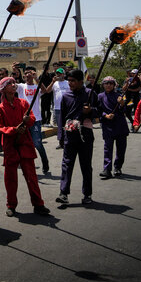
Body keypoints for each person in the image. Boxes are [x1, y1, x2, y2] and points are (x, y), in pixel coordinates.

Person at [0, 77, 51, 217]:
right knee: (11, 178)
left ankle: (38, 204)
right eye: (10, 84)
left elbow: (31, 118)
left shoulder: (24, 103)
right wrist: (13, 130)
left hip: (25, 143)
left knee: (31, 176)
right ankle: (11, 205)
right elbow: (0, 126)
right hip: (10, 146)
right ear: (3, 89)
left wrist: (28, 120)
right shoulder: (1, 108)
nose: (13, 85)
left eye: (14, 83)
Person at [56, 69, 99, 205]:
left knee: (86, 165)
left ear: (81, 81)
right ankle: (63, 193)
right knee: (67, 164)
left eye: (73, 81)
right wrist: (61, 137)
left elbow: (100, 112)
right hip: (70, 135)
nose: (70, 83)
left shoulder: (90, 94)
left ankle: (87, 194)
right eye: (69, 80)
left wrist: (90, 111)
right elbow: (62, 117)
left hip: (85, 135)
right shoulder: (66, 96)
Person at [16, 66, 50, 174]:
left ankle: (45, 162)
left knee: (37, 143)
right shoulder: (21, 87)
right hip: (23, 120)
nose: (27, 75)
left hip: (35, 119)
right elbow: (12, 84)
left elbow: (45, 91)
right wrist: (15, 71)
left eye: (29, 73)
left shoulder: (36, 87)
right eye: (25, 73)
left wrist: (37, 78)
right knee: (23, 144)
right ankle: (27, 166)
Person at [97, 76, 129, 178]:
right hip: (107, 126)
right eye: (106, 83)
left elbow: (125, 111)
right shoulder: (100, 96)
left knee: (121, 149)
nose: (108, 85)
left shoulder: (120, 96)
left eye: (111, 83)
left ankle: (118, 167)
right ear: (103, 85)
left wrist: (122, 104)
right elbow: (97, 110)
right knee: (107, 148)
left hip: (120, 126)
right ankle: (107, 169)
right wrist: (105, 115)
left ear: (114, 85)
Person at [45, 67, 69, 149]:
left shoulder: (68, 83)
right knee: (60, 126)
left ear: (64, 74)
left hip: (67, 108)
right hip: (58, 108)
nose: (59, 75)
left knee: (68, 125)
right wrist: (52, 82)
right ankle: (61, 142)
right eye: (57, 73)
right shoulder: (54, 83)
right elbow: (47, 91)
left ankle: (68, 142)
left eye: (60, 73)